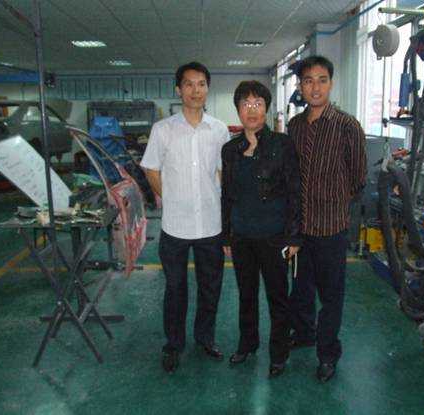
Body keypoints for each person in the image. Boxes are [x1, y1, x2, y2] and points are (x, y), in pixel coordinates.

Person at [141, 62, 229, 373]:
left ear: (207, 89)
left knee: (210, 287)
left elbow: (223, 171)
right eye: (189, 84)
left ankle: (205, 338)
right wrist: (170, 197)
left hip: (211, 224)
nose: (195, 90)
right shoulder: (163, 129)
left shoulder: (218, 130)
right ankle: (174, 344)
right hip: (175, 226)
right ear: (178, 90)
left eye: (201, 84)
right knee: (175, 289)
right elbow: (150, 168)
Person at [287, 56, 367, 382]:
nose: (315, 87)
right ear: (301, 86)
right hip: (299, 228)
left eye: (322, 80)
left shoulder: (348, 126)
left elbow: (358, 177)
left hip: (331, 228)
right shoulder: (294, 126)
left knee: (331, 296)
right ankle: (304, 333)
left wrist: (333, 201)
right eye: (308, 81)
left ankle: (327, 354)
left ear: (331, 84)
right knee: (300, 289)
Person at [221, 80, 302, 378]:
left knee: (278, 298)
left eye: (257, 103)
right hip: (242, 237)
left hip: (274, 237)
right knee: (246, 295)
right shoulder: (230, 149)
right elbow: (227, 195)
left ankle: (279, 353)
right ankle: (247, 344)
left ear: (266, 108)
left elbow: (295, 192)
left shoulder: (282, 145)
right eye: (245, 104)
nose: (252, 110)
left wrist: (294, 236)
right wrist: (226, 234)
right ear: (238, 110)